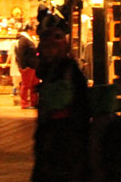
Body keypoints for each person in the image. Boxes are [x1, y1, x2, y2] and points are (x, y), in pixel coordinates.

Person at [32, 19, 89, 182]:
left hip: (67, 133)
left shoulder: (69, 69)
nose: (47, 51)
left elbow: (81, 102)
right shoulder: (49, 69)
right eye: (45, 47)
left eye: (50, 47)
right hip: (51, 132)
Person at [16, 23, 39, 109]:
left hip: (33, 65)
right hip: (28, 66)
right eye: (33, 30)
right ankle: (24, 103)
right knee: (26, 85)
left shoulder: (31, 39)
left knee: (34, 84)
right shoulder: (23, 40)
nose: (35, 32)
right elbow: (21, 54)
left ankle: (34, 102)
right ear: (29, 31)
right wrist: (23, 66)